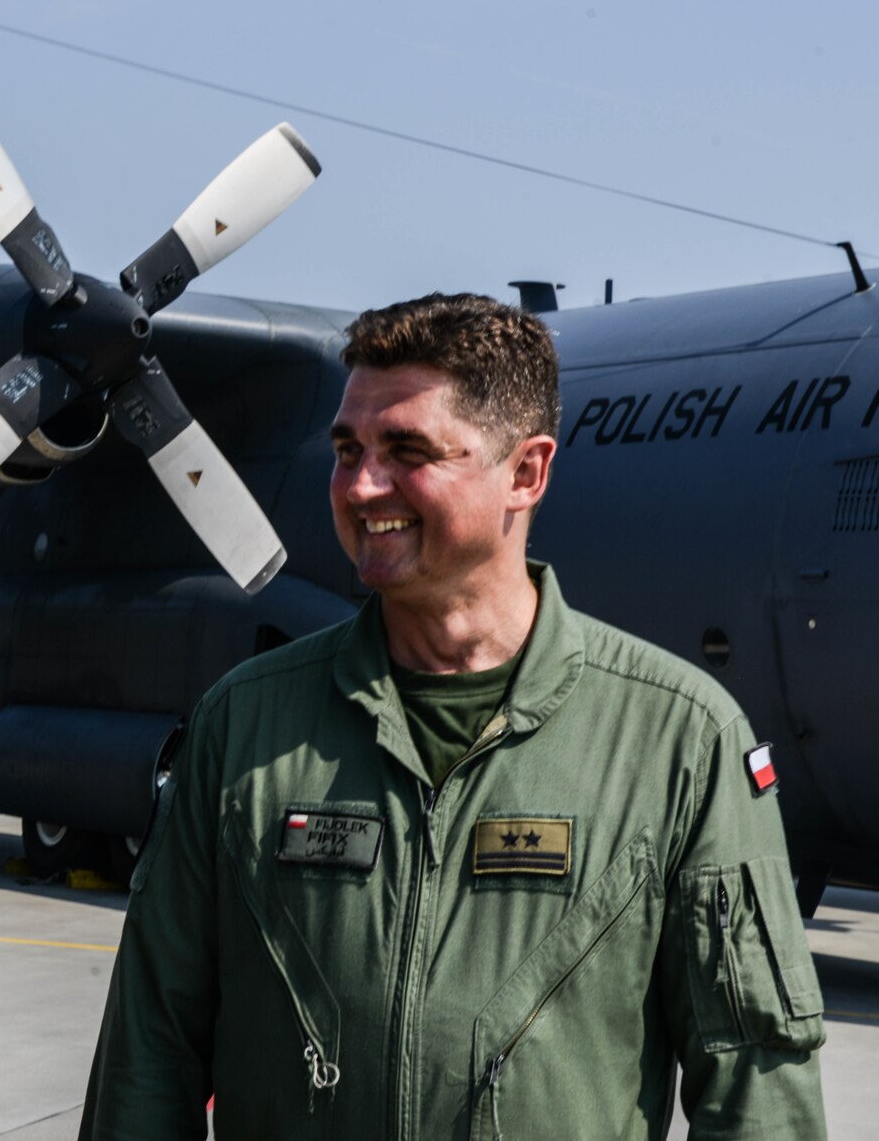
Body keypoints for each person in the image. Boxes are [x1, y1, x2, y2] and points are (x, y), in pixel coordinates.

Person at [81, 293, 826, 1139]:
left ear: (526, 472)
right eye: (347, 448)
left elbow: (758, 1087)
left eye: (408, 451)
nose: (363, 485)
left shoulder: (679, 741)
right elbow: (151, 1054)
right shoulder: (244, 725)